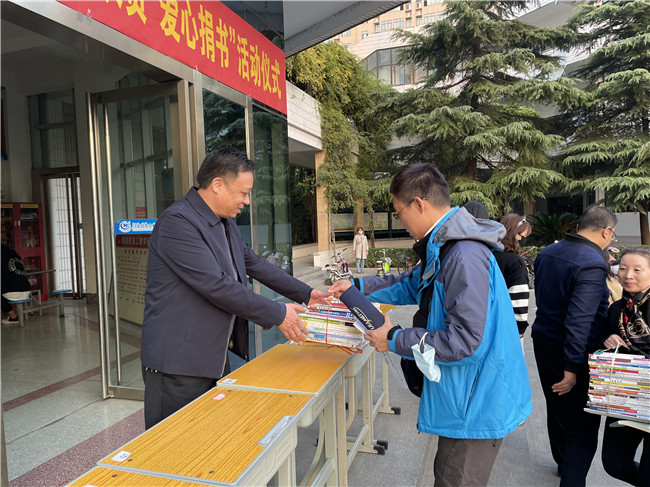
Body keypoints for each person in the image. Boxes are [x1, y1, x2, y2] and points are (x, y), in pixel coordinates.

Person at [330, 163, 532, 487]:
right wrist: (356, 287)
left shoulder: (463, 254)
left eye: (399, 214)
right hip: (469, 396)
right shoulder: (446, 246)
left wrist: (394, 338)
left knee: (453, 477)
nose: (401, 222)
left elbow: (465, 341)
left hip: (476, 402)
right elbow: (410, 283)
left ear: (419, 204)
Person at [141, 148, 327, 429]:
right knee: (173, 446)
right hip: (177, 366)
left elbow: (256, 265)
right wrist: (278, 314)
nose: (247, 201)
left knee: (210, 441)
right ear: (217, 184)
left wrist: (307, 294)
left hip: (211, 356)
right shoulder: (177, 222)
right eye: (243, 193)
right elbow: (216, 285)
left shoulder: (224, 223)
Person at [532, 206, 617, 486]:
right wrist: (571, 368)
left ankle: (562, 462)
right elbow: (580, 321)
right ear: (606, 231)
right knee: (582, 425)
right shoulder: (592, 262)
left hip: (544, 341)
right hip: (575, 351)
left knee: (556, 408)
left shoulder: (547, 252)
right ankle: (571, 475)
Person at [601, 247, 650, 487]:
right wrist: (607, 338)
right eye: (623, 268)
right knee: (614, 463)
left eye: (637, 270)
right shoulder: (616, 309)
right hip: (626, 395)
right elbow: (602, 338)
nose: (628, 275)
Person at [493, 213, 531, 342]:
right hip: (508, 327)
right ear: (512, 234)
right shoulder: (514, 261)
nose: (523, 239)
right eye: (522, 235)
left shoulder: (489, 254)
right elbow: (519, 296)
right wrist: (520, 328)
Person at [1, 243, 31, 325]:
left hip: (14, 291)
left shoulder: (2, 257)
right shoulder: (16, 256)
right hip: (27, 290)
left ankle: (13, 317)